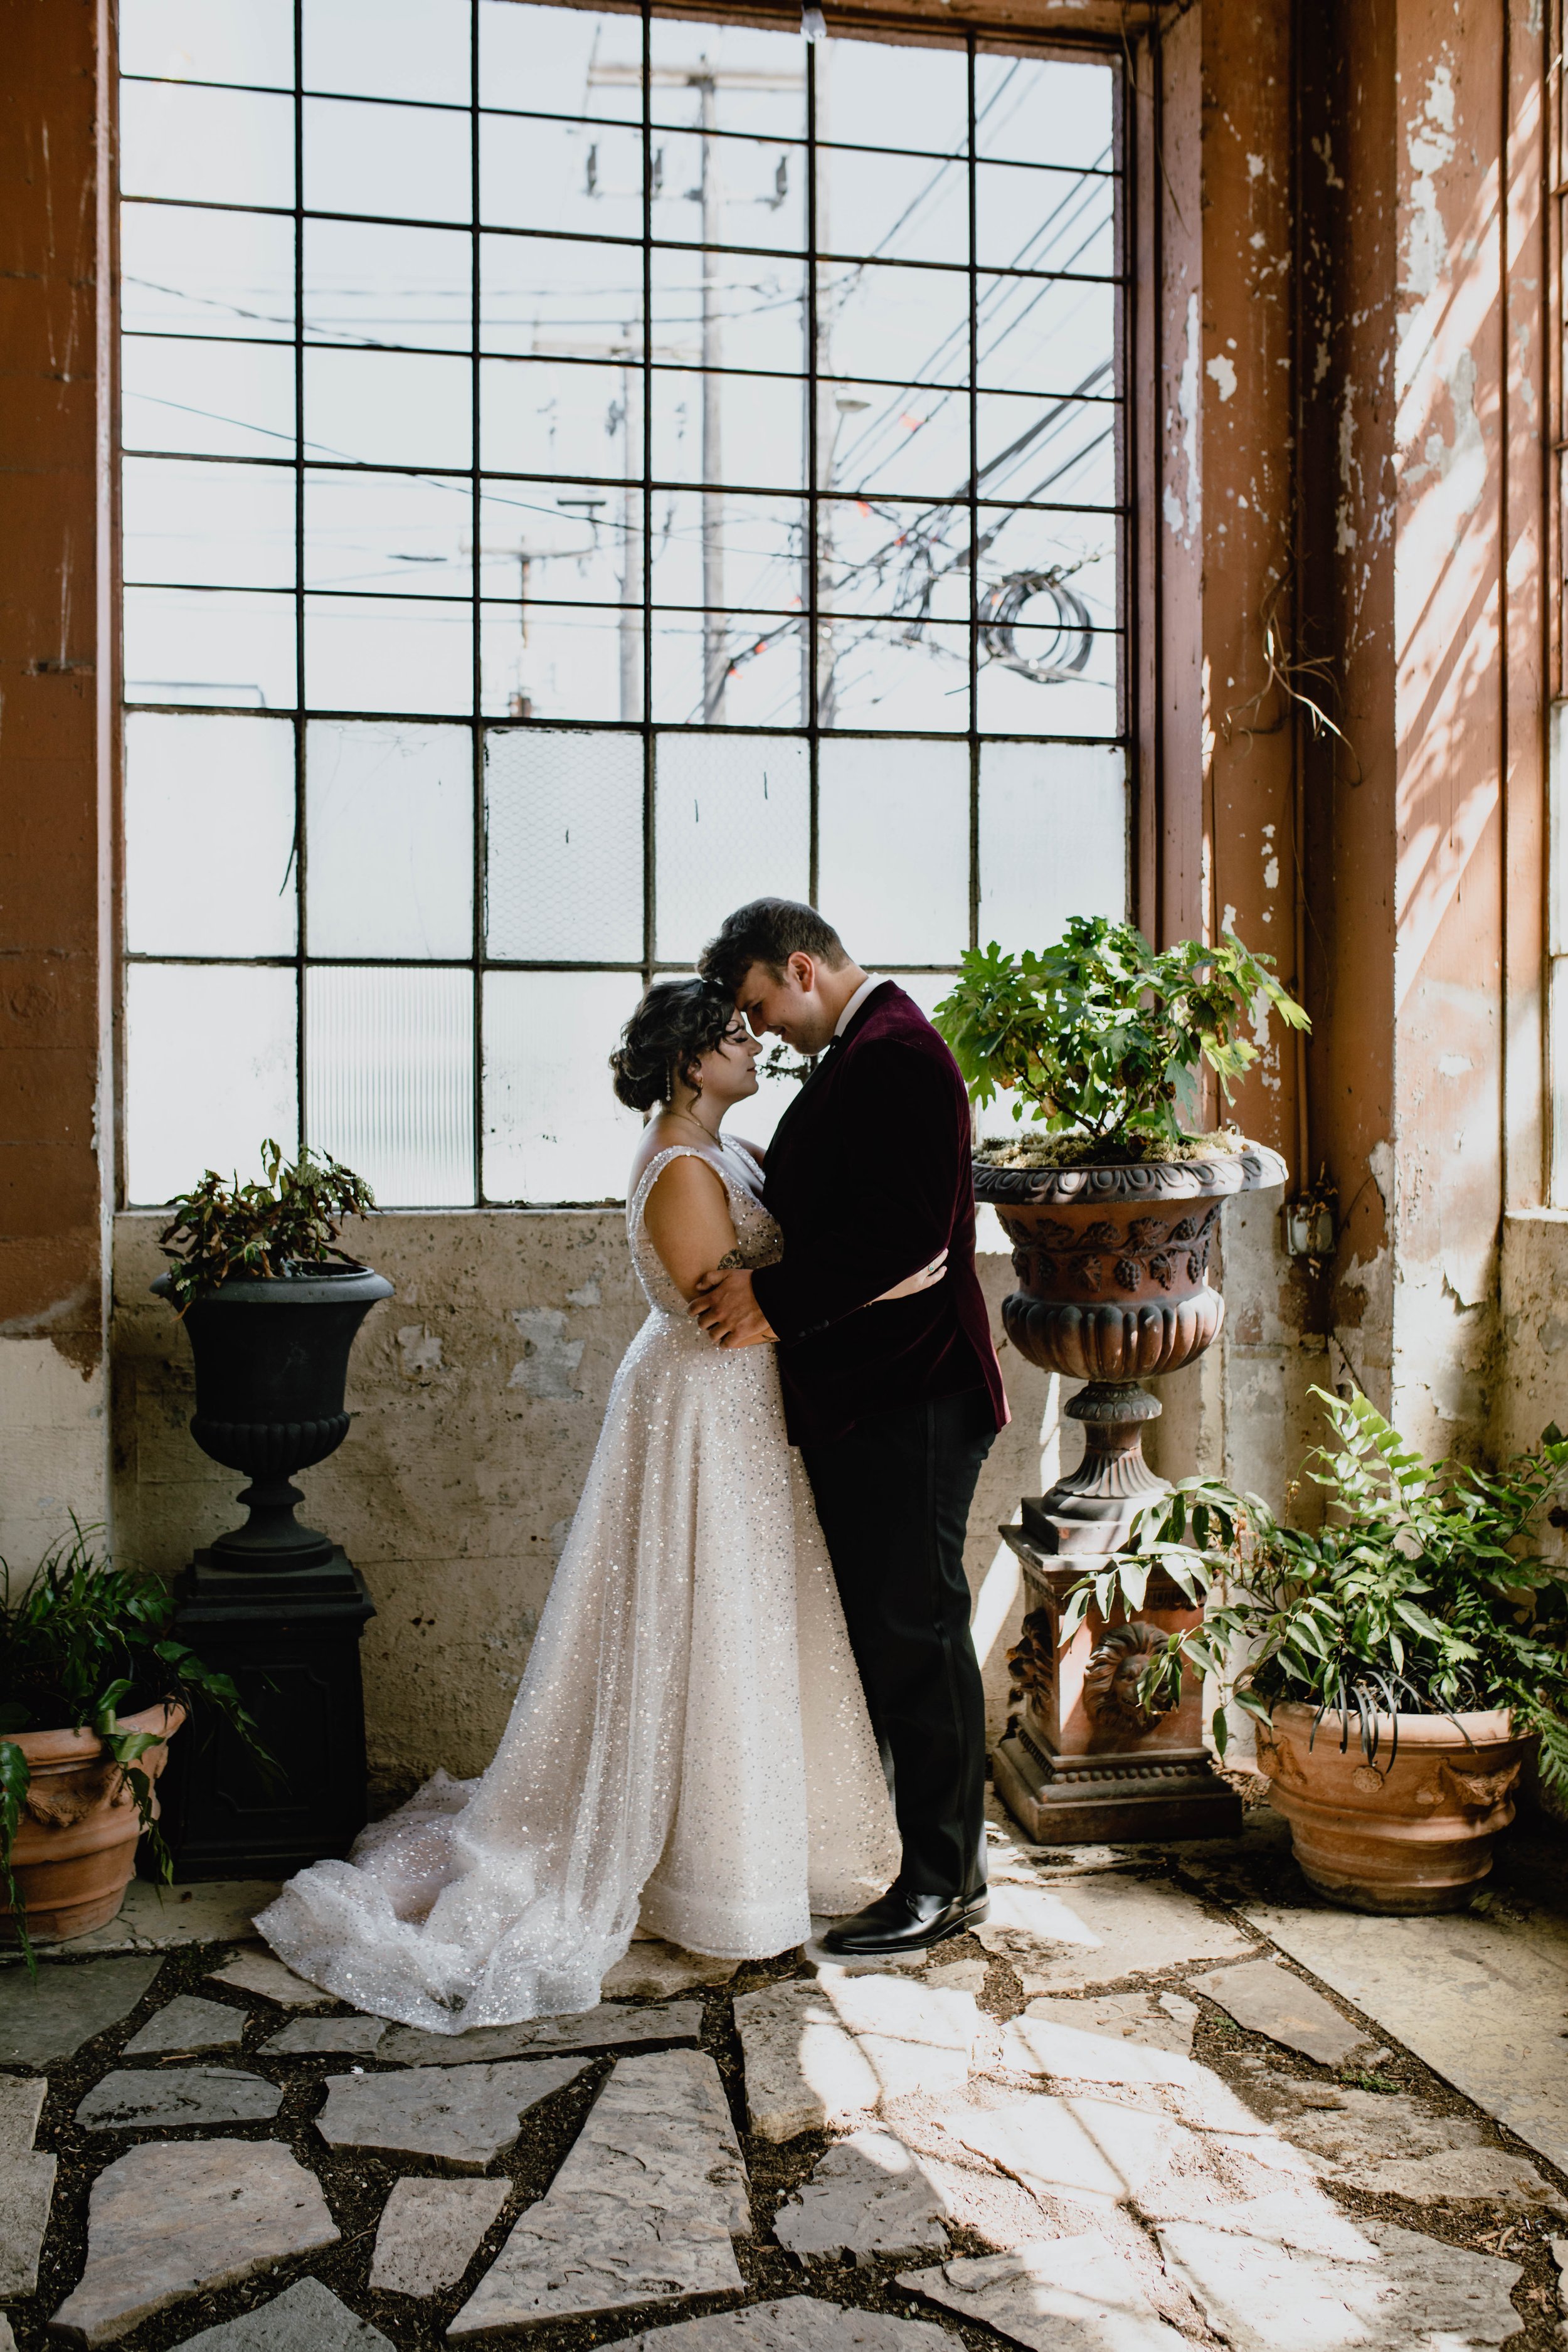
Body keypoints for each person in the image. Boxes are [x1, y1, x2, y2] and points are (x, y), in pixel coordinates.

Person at [254, 977, 925, 2031]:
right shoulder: (680, 1165)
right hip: (705, 1407)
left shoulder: (723, 1151)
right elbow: (730, 1317)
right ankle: (696, 1870)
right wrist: (866, 1286)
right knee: (696, 1621)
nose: (753, 1043)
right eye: (732, 1034)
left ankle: (752, 1847)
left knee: (738, 1625)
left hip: (735, 1416)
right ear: (688, 1063)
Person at [695, 900, 1008, 1958]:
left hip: (910, 1394)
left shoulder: (898, 1052)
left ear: (800, 966)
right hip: (872, 1394)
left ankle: (945, 1881)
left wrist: (772, 1301)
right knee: (894, 1633)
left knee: (917, 1634)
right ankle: (932, 1863)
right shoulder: (859, 1053)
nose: (763, 1029)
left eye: (758, 1004)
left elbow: (907, 1232)